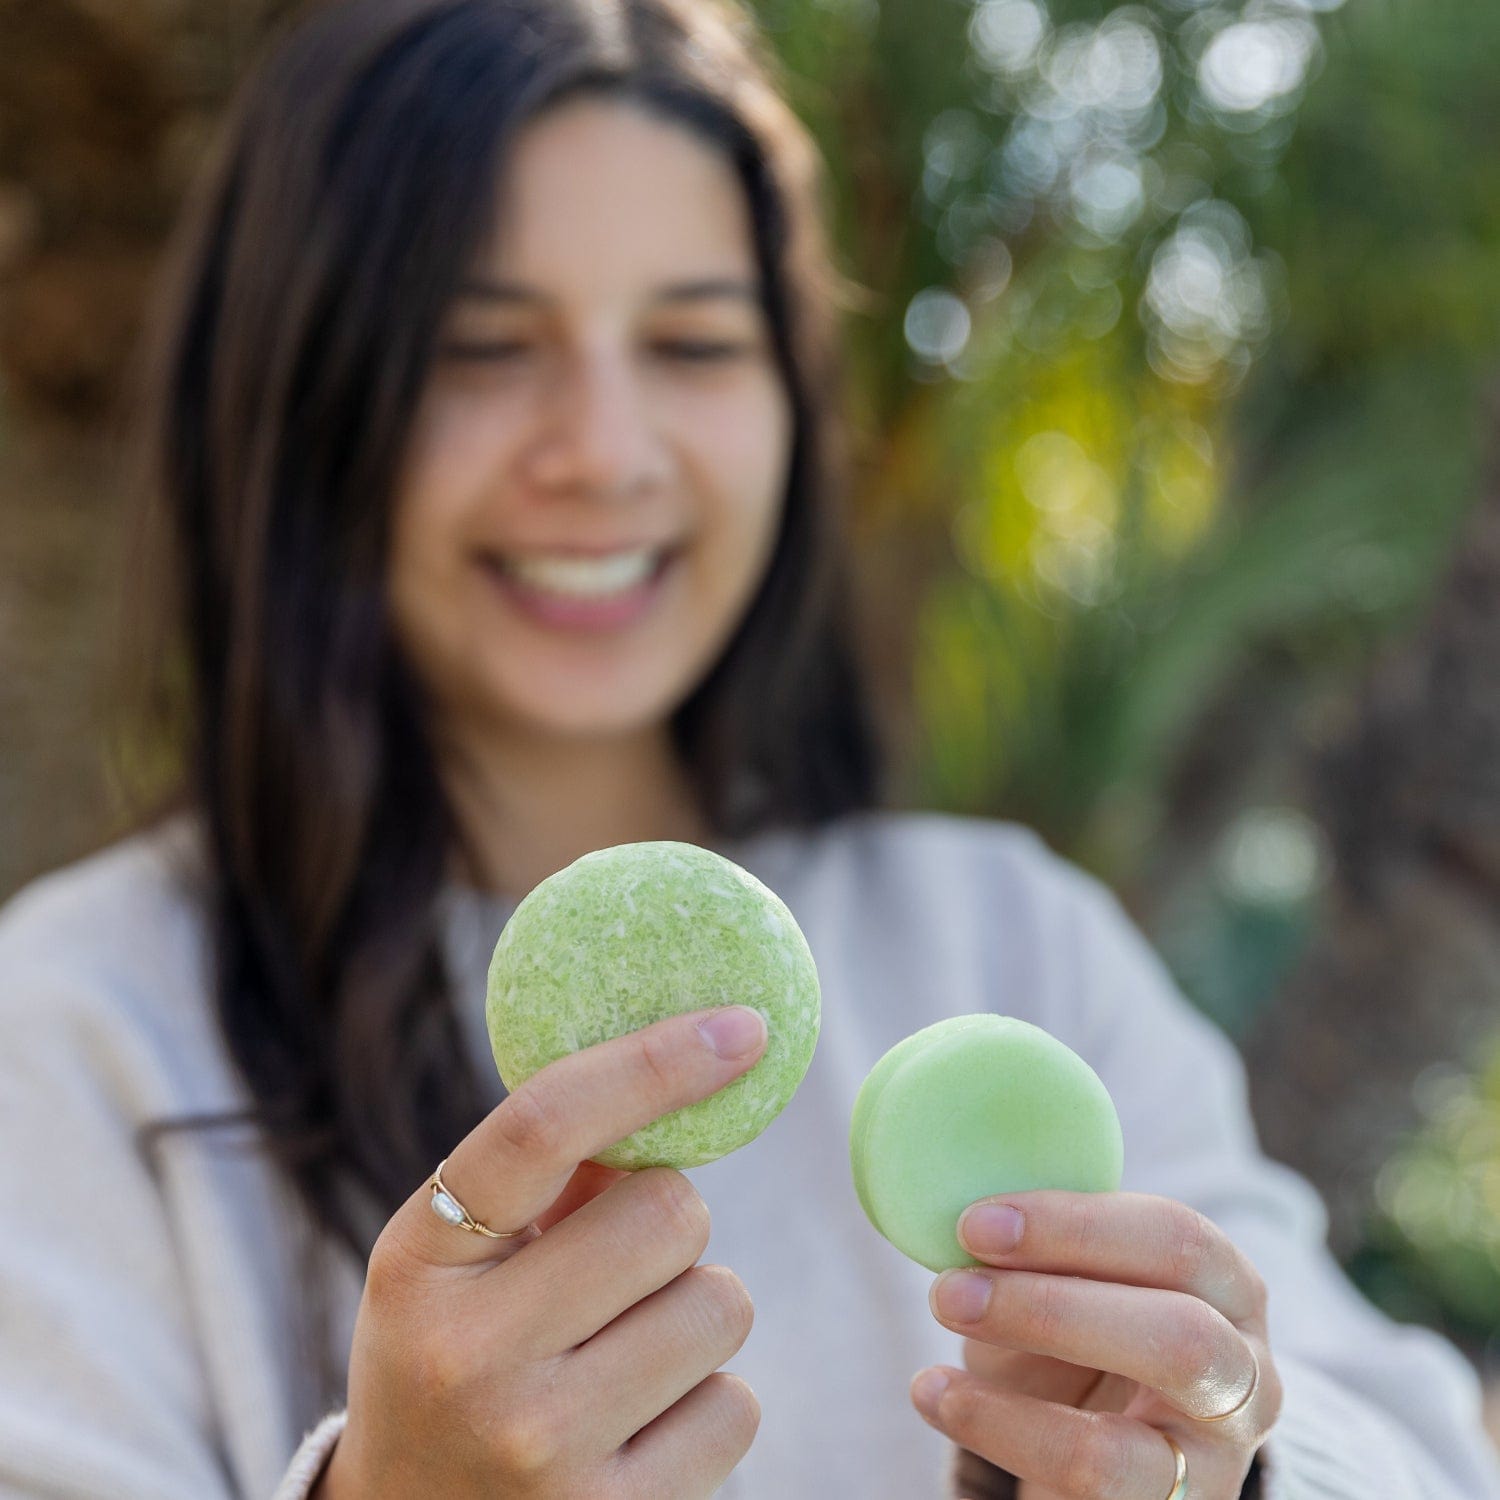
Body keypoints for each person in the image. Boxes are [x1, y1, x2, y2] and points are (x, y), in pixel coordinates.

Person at [0, 0, 1496, 1496]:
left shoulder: (1004, 946)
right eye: (481, 346)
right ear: (298, 398)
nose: (603, 447)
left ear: (794, 403)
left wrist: (1230, 1459)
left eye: (695, 340)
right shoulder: (80, 1023)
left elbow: (1401, 1444)